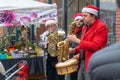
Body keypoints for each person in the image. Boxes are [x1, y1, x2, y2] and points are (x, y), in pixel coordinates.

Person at [67, 5, 108, 80]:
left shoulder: (101, 27)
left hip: (93, 63)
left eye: (85, 15)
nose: (83, 18)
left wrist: (77, 40)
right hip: (82, 63)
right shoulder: (85, 27)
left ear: (93, 16)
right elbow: (84, 44)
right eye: (83, 15)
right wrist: (75, 50)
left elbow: (95, 46)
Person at [69, 13, 84, 80]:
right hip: (72, 54)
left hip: (79, 54)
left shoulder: (84, 30)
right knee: (73, 75)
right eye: (77, 20)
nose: (78, 22)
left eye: (81, 21)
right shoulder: (73, 31)